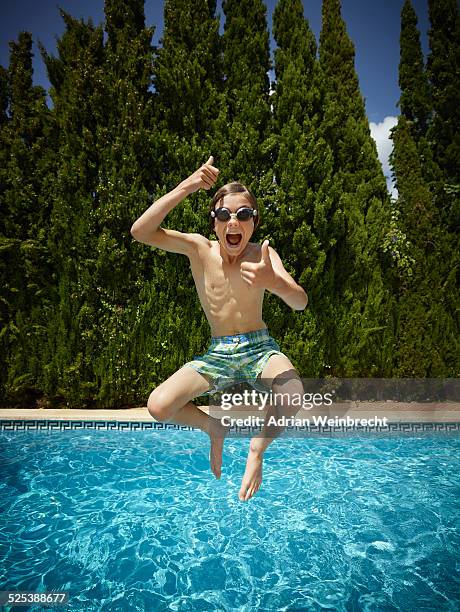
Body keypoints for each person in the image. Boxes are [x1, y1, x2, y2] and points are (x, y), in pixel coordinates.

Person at [130, 156, 308, 501]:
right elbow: (141, 232)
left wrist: (277, 283)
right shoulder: (199, 248)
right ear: (214, 223)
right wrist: (189, 185)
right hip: (219, 352)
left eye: (243, 215)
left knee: (293, 392)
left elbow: (300, 302)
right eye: (224, 214)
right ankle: (214, 426)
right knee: (159, 405)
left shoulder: (263, 256)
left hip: (259, 348)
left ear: (253, 222)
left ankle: (257, 450)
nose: (233, 221)